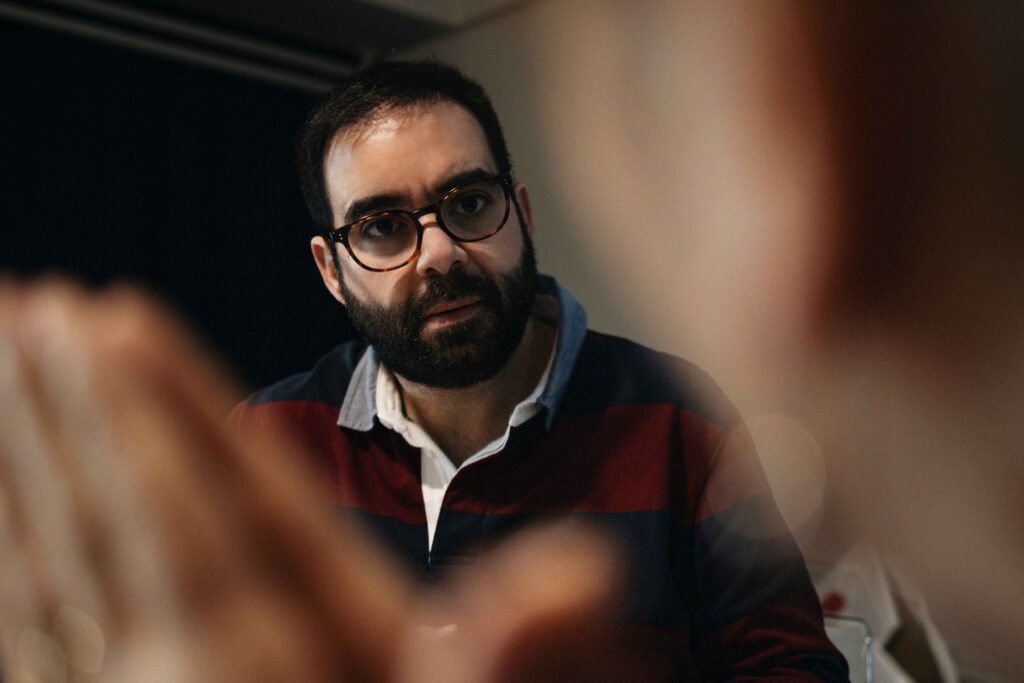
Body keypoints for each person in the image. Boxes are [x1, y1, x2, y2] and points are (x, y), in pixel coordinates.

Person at [228, 60, 848, 681]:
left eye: (471, 203)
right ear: (331, 271)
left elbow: (798, 669)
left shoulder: (677, 416)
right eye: (383, 227)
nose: (440, 253)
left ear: (521, 214)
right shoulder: (267, 442)